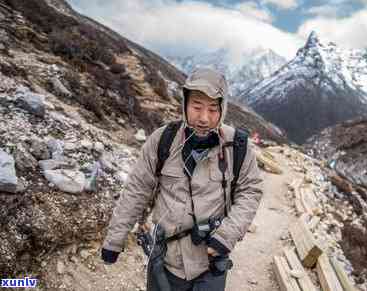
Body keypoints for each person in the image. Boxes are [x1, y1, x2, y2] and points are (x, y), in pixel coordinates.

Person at [101, 67, 263, 291]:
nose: (204, 118)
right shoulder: (163, 140)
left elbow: (251, 191)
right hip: (166, 262)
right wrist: (114, 239)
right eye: (197, 107)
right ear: (185, 104)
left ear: (223, 109)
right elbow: (137, 190)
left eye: (213, 109)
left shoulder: (238, 147)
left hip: (211, 263)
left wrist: (226, 236)